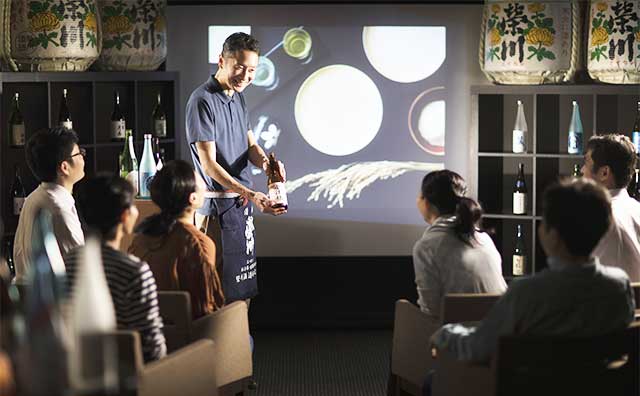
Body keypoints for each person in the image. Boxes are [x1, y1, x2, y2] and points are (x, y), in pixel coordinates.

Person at [430, 178, 635, 365]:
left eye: (544, 222)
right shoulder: (619, 286)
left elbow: (477, 348)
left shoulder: (527, 292)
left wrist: (446, 333)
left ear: (553, 235)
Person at [185, 32, 286, 304]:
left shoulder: (238, 97)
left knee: (242, 284)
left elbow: (250, 143)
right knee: (216, 289)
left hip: (240, 208)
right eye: (239, 66)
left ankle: (239, 342)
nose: (245, 75)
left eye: (252, 69)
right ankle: (218, 346)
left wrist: (267, 166)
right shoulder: (202, 100)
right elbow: (208, 163)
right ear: (221, 60)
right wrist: (251, 194)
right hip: (216, 210)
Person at [64, 174, 167, 363]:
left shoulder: (70, 261)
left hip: (81, 364)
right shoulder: (135, 271)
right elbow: (152, 349)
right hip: (131, 374)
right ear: (125, 215)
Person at [129, 160, 225, 319]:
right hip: (186, 336)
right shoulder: (198, 244)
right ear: (192, 198)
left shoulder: (141, 239)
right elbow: (205, 309)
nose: (204, 183)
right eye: (198, 179)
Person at [413, 170, 507, 327]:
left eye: (420, 195)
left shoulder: (426, 247)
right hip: (502, 332)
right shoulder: (484, 238)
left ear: (426, 202)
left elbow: (431, 312)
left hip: (459, 339)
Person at [14, 127, 85, 285]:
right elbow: (81, 269)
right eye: (79, 153)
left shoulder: (33, 198)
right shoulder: (59, 209)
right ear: (64, 167)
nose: (83, 158)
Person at [581, 133, 640, 281]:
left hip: (604, 302)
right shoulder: (637, 209)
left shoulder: (595, 217)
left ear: (604, 173)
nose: (582, 170)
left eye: (586, 163)